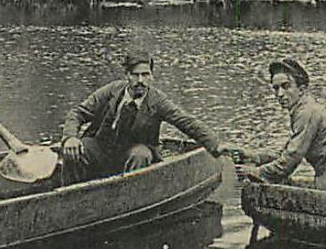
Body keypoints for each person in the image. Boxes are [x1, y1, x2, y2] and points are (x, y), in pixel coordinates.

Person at [60, 50, 223, 184]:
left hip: (135, 150)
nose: (140, 81)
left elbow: (186, 122)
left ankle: (128, 199)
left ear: (151, 76)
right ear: (126, 75)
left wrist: (215, 145)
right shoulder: (112, 91)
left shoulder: (157, 101)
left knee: (140, 155)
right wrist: (70, 138)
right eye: (135, 75)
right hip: (103, 147)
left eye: (145, 75)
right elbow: (77, 113)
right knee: (76, 149)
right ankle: (70, 195)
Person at [240, 58, 326, 195]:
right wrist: (254, 157)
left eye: (286, 86)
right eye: (276, 89)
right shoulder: (307, 109)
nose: (280, 94)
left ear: (301, 90)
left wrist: (258, 173)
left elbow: (292, 158)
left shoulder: (305, 112)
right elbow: (288, 152)